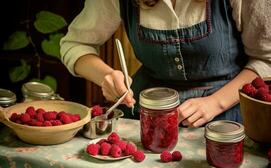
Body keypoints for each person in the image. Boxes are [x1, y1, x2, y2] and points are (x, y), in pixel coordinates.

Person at [60, 0, 271, 127]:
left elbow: (265, 59)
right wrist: (106, 76)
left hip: (229, 121)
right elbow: (75, 44)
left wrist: (215, 103)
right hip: (144, 121)